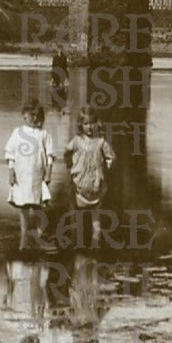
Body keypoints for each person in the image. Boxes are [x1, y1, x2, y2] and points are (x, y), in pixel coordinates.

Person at [4, 100, 54, 251]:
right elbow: (10, 153)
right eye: (30, 115)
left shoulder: (44, 134)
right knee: (23, 205)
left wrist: (49, 173)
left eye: (37, 116)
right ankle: (24, 234)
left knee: (38, 204)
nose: (34, 119)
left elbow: (50, 155)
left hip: (38, 174)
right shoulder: (17, 133)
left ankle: (40, 231)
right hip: (22, 174)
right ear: (24, 116)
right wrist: (11, 171)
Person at [64, 106, 115, 248]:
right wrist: (70, 164)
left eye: (92, 123)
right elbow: (66, 152)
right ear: (81, 125)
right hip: (79, 183)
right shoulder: (76, 141)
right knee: (77, 213)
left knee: (96, 215)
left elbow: (110, 157)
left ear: (96, 124)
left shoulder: (101, 142)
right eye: (86, 124)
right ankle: (78, 242)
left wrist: (106, 168)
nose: (89, 127)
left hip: (95, 184)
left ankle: (95, 241)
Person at [50, 45, 69, 110]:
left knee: (62, 88)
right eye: (59, 49)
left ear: (62, 49)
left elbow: (65, 67)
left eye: (61, 49)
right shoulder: (55, 57)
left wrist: (67, 76)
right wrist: (52, 77)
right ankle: (55, 99)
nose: (60, 50)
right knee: (55, 88)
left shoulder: (64, 57)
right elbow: (53, 67)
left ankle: (62, 99)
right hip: (56, 75)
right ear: (57, 50)